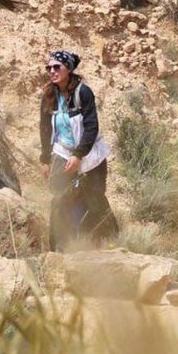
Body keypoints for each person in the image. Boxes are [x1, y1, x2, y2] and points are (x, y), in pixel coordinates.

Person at [40, 50, 118, 250]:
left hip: (90, 154)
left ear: (69, 69)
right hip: (63, 151)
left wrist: (78, 155)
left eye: (57, 67)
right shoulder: (49, 95)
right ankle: (58, 247)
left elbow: (91, 127)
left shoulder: (83, 92)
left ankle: (111, 240)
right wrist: (45, 159)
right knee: (58, 197)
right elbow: (45, 128)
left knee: (96, 198)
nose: (52, 71)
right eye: (49, 67)